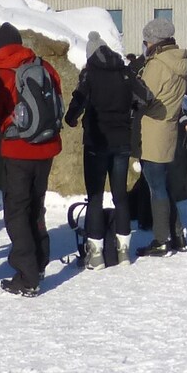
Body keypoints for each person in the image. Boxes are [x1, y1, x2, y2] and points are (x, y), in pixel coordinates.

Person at [0, 20, 63, 297]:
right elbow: (57, 97)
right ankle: (40, 260)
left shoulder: (2, 72)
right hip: (46, 146)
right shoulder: (43, 65)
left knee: (16, 211)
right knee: (36, 205)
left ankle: (27, 275)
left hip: (18, 150)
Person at [67, 32, 147, 268]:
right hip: (122, 141)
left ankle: (96, 254)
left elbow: (78, 101)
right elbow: (146, 97)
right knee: (120, 196)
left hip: (96, 142)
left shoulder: (90, 74)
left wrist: (71, 118)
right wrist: (129, 108)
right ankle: (123, 252)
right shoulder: (125, 72)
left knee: (95, 197)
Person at [136, 16, 187, 257]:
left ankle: (161, 240)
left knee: (156, 187)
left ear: (154, 41)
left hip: (152, 130)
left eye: (146, 41)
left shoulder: (158, 65)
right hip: (168, 129)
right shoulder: (177, 61)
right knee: (164, 186)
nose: (145, 46)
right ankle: (177, 235)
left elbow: (142, 97)